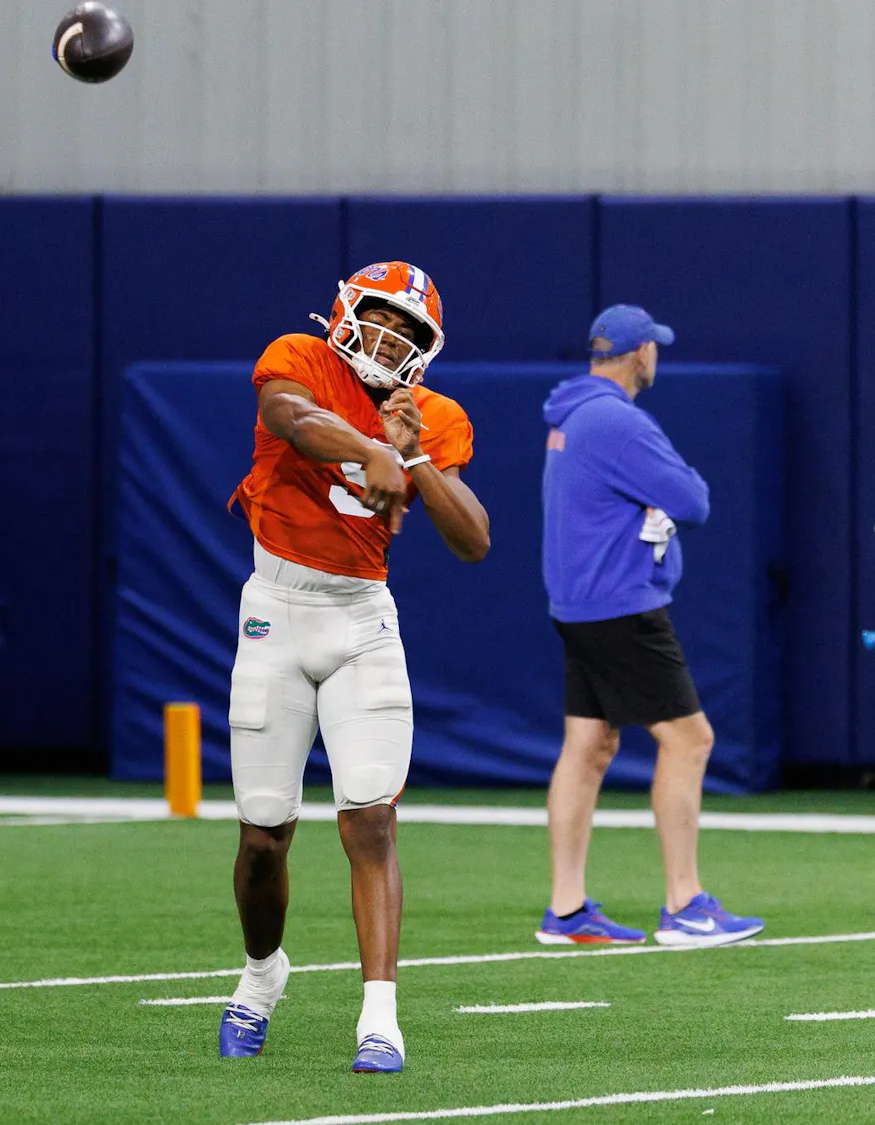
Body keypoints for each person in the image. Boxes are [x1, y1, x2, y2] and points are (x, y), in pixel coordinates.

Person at [218, 262, 490, 1073]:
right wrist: (374, 445)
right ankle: (263, 975)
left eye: (410, 331)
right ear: (345, 311)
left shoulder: (434, 415)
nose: (390, 337)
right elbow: (290, 417)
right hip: (275, 607)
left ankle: (380, 1017)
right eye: (381, 318)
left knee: (370, 817)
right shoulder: (299, 356)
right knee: (264, 834)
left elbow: (474, 538)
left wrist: (415, 462)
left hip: (361, 616)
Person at [537, 304, 762, 948]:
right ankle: (685, 905)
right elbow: (693, 500)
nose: (655, 357)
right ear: (640, 354)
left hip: (579, 604)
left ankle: (567, 910)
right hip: (618, 607)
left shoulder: (575, 414)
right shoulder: (616, 420)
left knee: (589, 746)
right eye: (653, 348)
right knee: (690, 741)